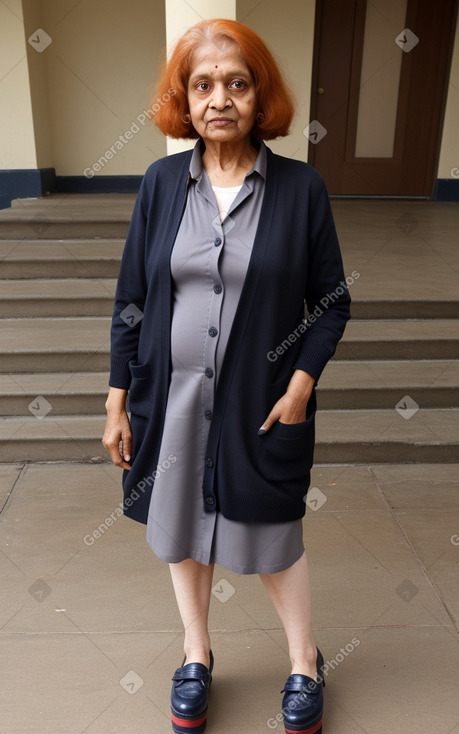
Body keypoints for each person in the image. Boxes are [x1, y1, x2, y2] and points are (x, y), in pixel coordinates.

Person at [102, 18, 351, 734]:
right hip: (169, 399)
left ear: (258, 96)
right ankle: (195, 652)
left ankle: (304, 662)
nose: (219, 100)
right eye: (202, 85)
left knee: (273, 535)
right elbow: (132, 301)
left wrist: (300, 384)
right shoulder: (158, 185)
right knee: (179, 529)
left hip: (258, 401)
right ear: (182, 97)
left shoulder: (300, 189)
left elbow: (331, 302)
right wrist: (118, 399)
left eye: (236, 85)